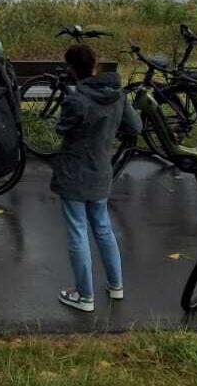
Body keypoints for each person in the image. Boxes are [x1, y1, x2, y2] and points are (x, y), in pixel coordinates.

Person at [53, 43, 141, 313]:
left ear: (72, 69)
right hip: (102, 168)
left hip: (74, 171)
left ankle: (84, 295)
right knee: (103, 228)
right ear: (95, 64)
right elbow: (135, 126)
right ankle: (116, 285)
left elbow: (62, 128)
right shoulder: (118, 96)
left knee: (77, 232)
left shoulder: (76, 100)